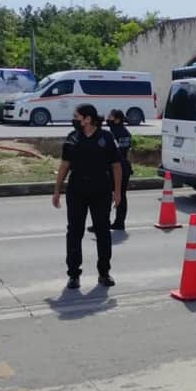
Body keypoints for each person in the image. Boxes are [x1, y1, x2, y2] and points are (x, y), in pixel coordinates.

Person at [53, 104, 122, 290]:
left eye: (77, 117)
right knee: (74, 233)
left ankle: (104, 272)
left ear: (88, 119)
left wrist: (117, 192)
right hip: (76, 192)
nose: (74, 120)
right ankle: (74, 275)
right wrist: (57, 189)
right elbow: (64, 165)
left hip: (100, 192)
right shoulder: (72, 138)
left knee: (102, 233)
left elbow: (116, 166)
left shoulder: (106, 137)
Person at [105, 109, 133, 231]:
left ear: (117, 119)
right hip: (125, 166)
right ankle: (119, 222)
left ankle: (101, 222)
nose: (108, 119)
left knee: (105, 196)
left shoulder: (111, 133)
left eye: (110, 117)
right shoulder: (126, 132)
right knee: (121, 195)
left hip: (113, 167)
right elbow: (127, 151)